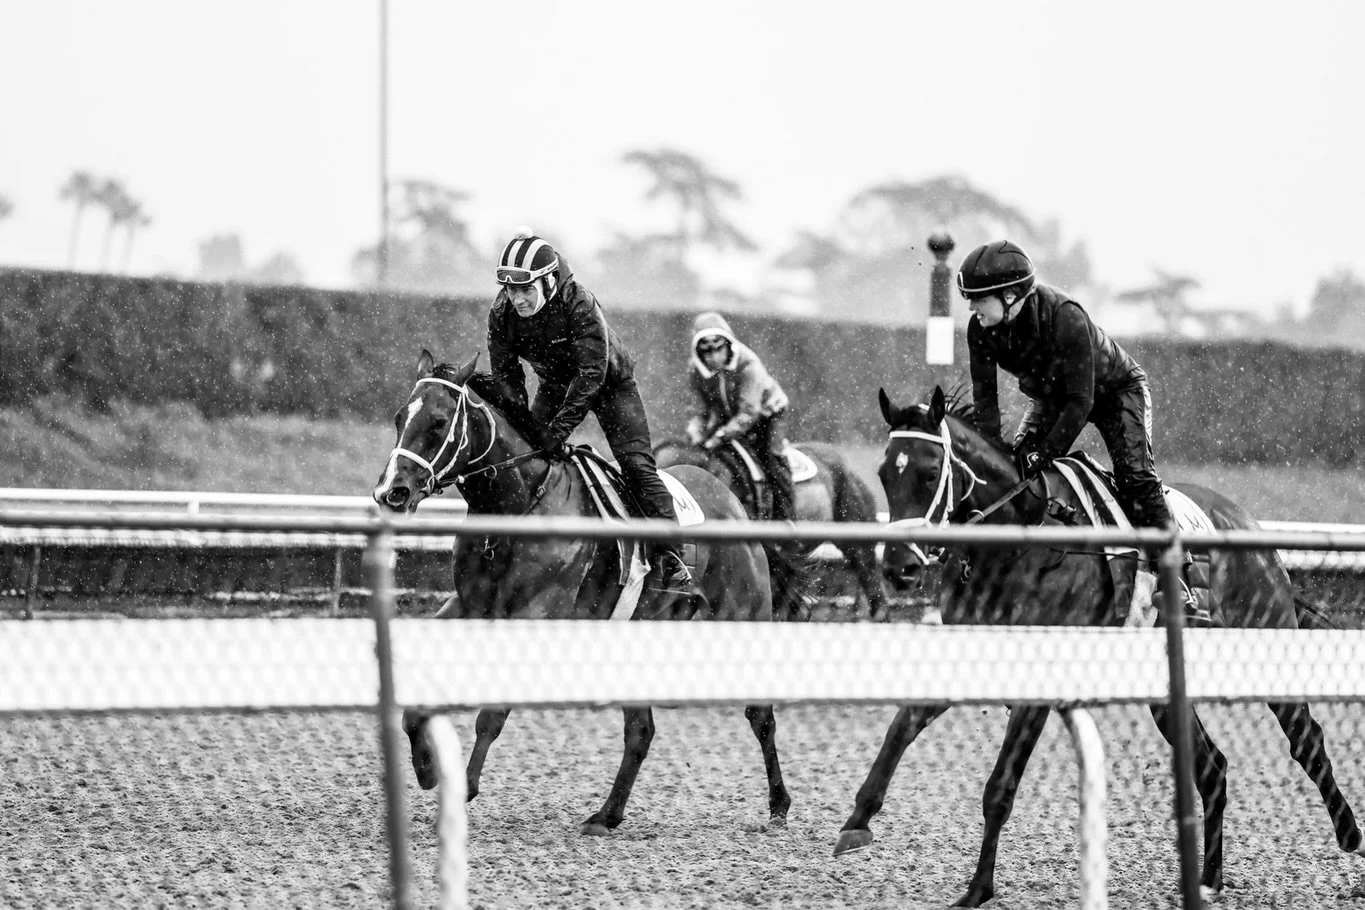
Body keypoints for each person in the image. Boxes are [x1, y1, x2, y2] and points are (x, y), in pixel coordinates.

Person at [959, 239, 1211, 625]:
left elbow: (1082, 401)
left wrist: (1045, 452)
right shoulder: (980, 331)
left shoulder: (1065, 316)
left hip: (1113, 393)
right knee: (1014, 471)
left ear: (1011, 296)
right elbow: (986, 404)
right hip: (1053, 397)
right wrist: (991, 454)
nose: (972, 308)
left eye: (979, 299)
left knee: (1136, 477)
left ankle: (1180, 577)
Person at [487, 228, 695, 595]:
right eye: (511, 290)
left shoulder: (579, 303)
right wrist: (524, 425)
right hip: (555, 384)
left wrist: (558, 432)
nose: (517, 299)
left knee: (635, 465)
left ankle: (673, 556)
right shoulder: (501, 312)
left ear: (549, 282)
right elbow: (507, 379)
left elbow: (591, 376)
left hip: (610, 385)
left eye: (525, 289)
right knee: (526, 452)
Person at [685, 312, 794, 524]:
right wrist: (696, 431)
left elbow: (749, 411)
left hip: (767, 414)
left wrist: (721, 435)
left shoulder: (748, 364)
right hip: (729, 417)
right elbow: (698, 410)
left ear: (729, 345)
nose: (713, 357)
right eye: (706, 351)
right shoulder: (695, 370)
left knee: (772, 456)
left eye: (719, 348)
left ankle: (787, 521)